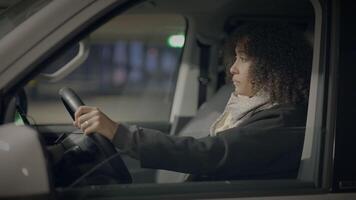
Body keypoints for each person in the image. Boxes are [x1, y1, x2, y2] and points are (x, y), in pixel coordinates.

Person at [73, 22, 312, 181]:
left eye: (242, 59)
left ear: (271, 67)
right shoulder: (258, 110)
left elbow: (208, 153)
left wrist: (120, 134)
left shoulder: (281, 122)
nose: (232, 69)